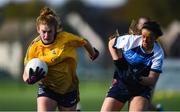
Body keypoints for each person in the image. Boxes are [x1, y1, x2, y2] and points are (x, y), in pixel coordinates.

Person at [22, 7, 99, 111]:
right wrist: (29, 80)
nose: (46, 35)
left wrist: (93, 54)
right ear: (38, 29)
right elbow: (26, 71)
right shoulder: (34, 47)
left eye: (50, 31)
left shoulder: (66, 38)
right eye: (43, 31)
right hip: (47, 88)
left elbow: (84, 41)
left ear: (55, 30)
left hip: (69, 88)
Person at [101, 21, 164, 111]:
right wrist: (118, 62)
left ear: (155, 38)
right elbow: (111, 43)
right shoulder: (131, 40)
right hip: (121, 84)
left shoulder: (158, 53)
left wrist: (136, 77)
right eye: (143, 36)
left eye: (149, 38)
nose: (145, 40)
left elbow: (152, 79)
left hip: (140, 89)